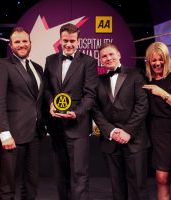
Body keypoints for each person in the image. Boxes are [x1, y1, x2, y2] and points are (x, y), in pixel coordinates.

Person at [43, 23, 98, 200]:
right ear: (60, 40)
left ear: (78, 41)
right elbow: (46, 89)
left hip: (78, 125)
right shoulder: (50, 60)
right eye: (65, 40)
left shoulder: (88, 62)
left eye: (72, 41)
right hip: (56, 126)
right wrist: (51, 103)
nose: (68, 44)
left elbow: (90, 95)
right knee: (60, 175)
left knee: (79, 174)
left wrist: (77, 113)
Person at [0, 27, 45, 199]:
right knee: (8, 184)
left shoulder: (37, 68)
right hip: (12, 135)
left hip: (35, 133)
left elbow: (37, 100)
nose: (22, 45)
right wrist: (4, 133)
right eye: (17, 42)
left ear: (30, 43)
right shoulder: (2, 65)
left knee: (31, 182)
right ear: (11, 46)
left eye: (24, 41)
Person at [92, 42, 150, 200]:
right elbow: (95, 110)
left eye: (111, 54)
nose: (108, 58)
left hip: (135, 141)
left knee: (138, 186)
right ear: (100, 60)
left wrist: (128, 131)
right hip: (110, 142)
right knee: (117, 187)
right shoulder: (97, 81)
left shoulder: (136, 75)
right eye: (104, 56)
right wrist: (112, 131)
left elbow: (142, 106)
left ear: (119, 55)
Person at [142, 42, 171, 200]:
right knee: (159, 178)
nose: (157, 63)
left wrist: (162, 93)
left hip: (169, 131)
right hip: (150, 130)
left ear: (166, 60)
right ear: (148, 61)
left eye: (160, 59)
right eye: (153, 60)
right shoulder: (146, 79)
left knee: (162, 176)